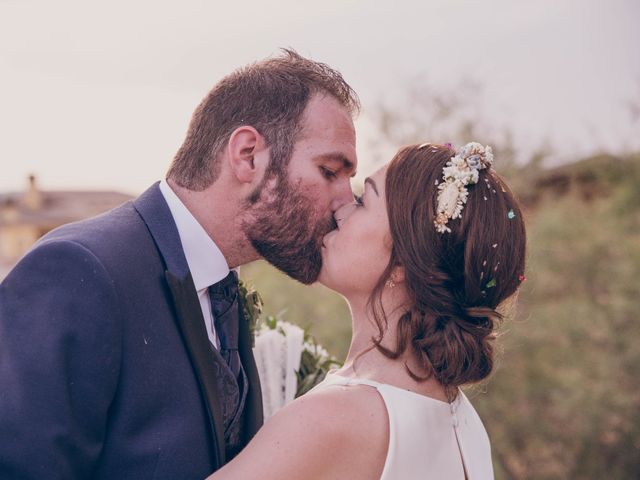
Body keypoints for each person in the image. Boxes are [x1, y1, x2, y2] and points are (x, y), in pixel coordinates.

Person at [0, 50, 359, 479]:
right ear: (248, 156)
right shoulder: (79, 270)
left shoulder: (223, 286)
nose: (345, 202)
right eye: (331, 171)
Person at [208, 142, 527, 479]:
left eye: (363, 201)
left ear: (403, 261)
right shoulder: (466, 425)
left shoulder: (332, 419)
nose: (340, 210)